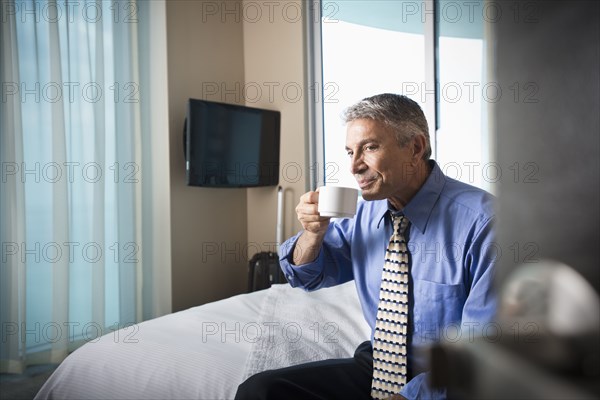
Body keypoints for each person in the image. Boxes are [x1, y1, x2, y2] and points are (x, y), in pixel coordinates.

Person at [235, 93, 497, 400]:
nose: (355, 166)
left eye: (370, 147)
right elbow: (305, 275)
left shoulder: (484, 223)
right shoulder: (364, 213)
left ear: (415, 147)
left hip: (447, 378)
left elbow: (482, 353)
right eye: (350, 152)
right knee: (261, 391)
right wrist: (312, 234)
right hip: (377, 367)